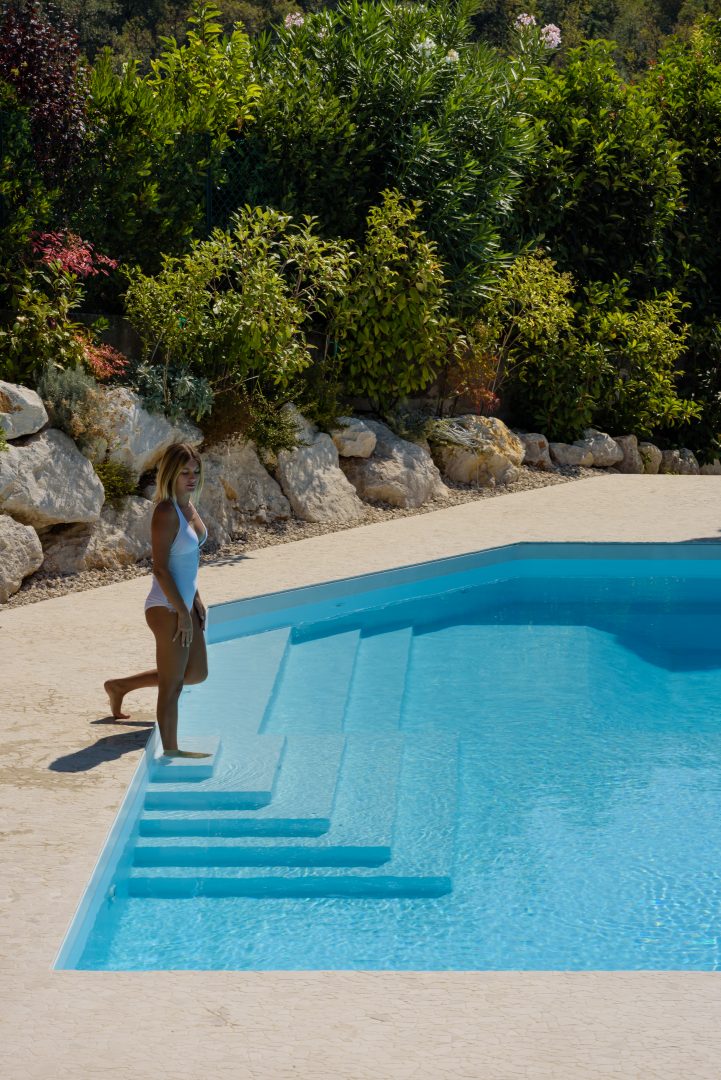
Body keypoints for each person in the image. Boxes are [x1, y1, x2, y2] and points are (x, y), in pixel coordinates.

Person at [104, 442, 210, 758]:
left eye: (195, 472)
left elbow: (187, 560)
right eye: (184, 472)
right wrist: (181, 611)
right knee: (173, 684)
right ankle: (172, 751)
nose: (191, 478)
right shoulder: (165, 512)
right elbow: (161, 569)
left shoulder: (189, 506)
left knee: (196, 673)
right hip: (165, 606)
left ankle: (120, 686)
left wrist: (195, 599)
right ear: (171, 474)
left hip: (184, 603)